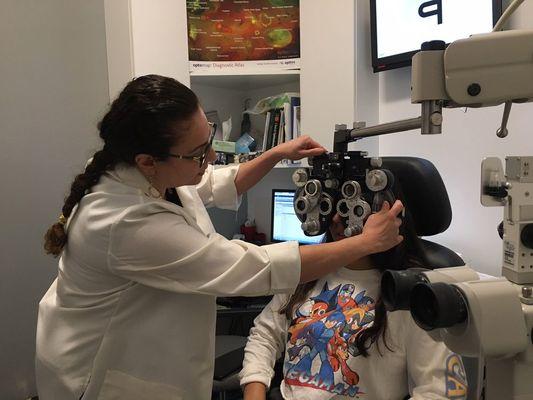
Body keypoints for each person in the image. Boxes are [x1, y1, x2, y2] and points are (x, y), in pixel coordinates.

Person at [36, 74, 404, 400]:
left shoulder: (135, 169)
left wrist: (276, 153)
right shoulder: (124, 221)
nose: (212, 156)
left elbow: (210, 182)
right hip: (104, 378)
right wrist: (365, 242)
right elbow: (250, 268)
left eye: (209, 137)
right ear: (148, 160)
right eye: (199, 153)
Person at [240, 204, 468, 399]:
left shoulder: (413, 294)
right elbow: (265, 334)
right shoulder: (306, 272)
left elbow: (439, 391)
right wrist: (254, 389)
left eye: (352, 209)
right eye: (335, 207)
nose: (338, 219)